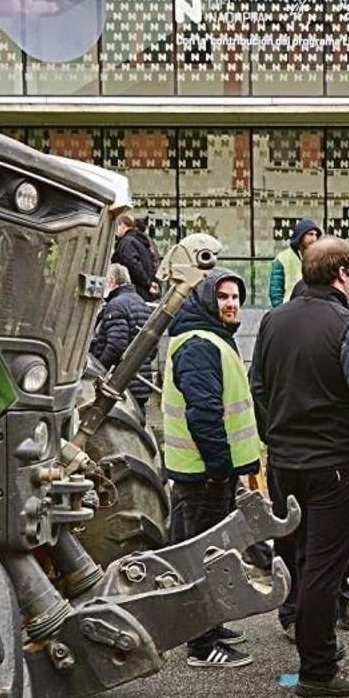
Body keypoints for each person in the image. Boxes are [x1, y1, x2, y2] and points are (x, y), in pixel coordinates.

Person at [251, 237, 349, 697]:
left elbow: (259, 387)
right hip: (336, 466)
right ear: (343, 274)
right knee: (325, 568)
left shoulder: (273, 320)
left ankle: (313, 643)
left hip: (286, 463)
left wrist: (278, 435)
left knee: (301, 556)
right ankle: (319, 669)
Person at [162, 268, 262, 668]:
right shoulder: (201, 344)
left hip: (205, 472)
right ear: (205, 300)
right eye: (222, 296)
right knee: (205, 558)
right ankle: (203, 646)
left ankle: (209, 627)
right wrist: (221, 467)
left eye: (236, 296)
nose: (231, 303)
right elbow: (203, 413)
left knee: (209, 554)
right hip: (204, 474)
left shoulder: (210, 340)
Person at [91, 263, 154, 405]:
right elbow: (152, 347)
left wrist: (97, 370)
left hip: (120, 383)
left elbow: (116, 346)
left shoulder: (116, 305)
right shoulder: (141, 303)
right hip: (139, 381)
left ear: (112, 281)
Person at [269, 218, 321, 306]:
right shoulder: (282, 258)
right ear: (301, 235)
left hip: (313, 309)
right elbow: (276, 293)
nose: (314, 238)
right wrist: (280, 312)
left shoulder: (319, 258)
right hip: (289, 309)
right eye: (310, 234)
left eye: (316, 235)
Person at [111, 214, 160, 300]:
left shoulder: (127, 242)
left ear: (122, 225)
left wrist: (147, 284)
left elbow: (133, 265)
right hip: (142, 293)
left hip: (133, 292)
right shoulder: (140, 241)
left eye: (116, 227)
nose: (115, 232)